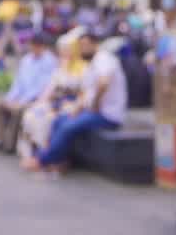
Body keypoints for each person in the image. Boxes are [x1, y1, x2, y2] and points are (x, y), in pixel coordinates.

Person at [26, 31, 128, 174]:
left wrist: (95, 104)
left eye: (86, 45)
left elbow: (103, 83)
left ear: (95, 45)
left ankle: (42, 160)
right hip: (92, 111)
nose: (83, 49)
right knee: (59, 120)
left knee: (68, 126)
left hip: (107, 115)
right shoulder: (92, 63)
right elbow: (87, 93)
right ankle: (59, 161)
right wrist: (78, 108)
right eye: (80, 46)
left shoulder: (104, 59)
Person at [0, 33, 59, 153]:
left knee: (18, 110)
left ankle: (10, 145)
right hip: (19, 97)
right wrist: (10, 99)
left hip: (36, 99)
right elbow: (18, 82)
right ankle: (1, 140)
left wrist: (21, 102)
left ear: (43, 46)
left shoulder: (50, 61)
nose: (34, 48)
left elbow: (42, 87)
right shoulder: (27, 59)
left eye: (37, 45)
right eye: (32, 45)